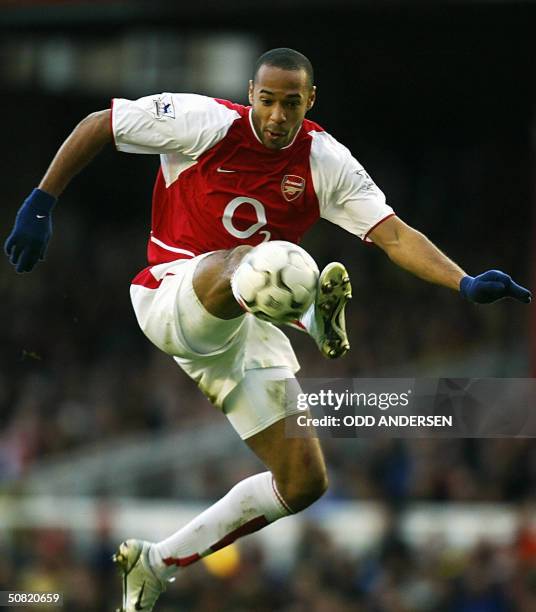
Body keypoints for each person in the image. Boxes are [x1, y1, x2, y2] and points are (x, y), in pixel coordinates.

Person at [4, 48, 531, 611]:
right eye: (269, 101)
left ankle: (156, 563)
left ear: (310, 101)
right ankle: (309, 314)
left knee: (303, 481)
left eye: (292, 104)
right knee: (251, 261)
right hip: (171, 289)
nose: (278, 116)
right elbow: (101, 124)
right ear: (251, 93)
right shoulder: (205, 122)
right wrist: (41, 202)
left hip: (247, 326)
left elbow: (394, 234)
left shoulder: (323, 159)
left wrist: (464, 282)